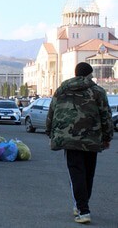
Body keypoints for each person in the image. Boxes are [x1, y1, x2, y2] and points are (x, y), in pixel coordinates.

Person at [46, 62, 113, 224]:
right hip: (91, 138)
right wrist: (107, 137)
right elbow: (106, 115)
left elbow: (52, 111)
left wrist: (50, 131)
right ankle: (83, 206)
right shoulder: (97, 91)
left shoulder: (62, 89)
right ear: (90, 74)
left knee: (76, 173)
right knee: (88, 173)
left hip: (69, 138)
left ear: (75, 73)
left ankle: (82, 209)